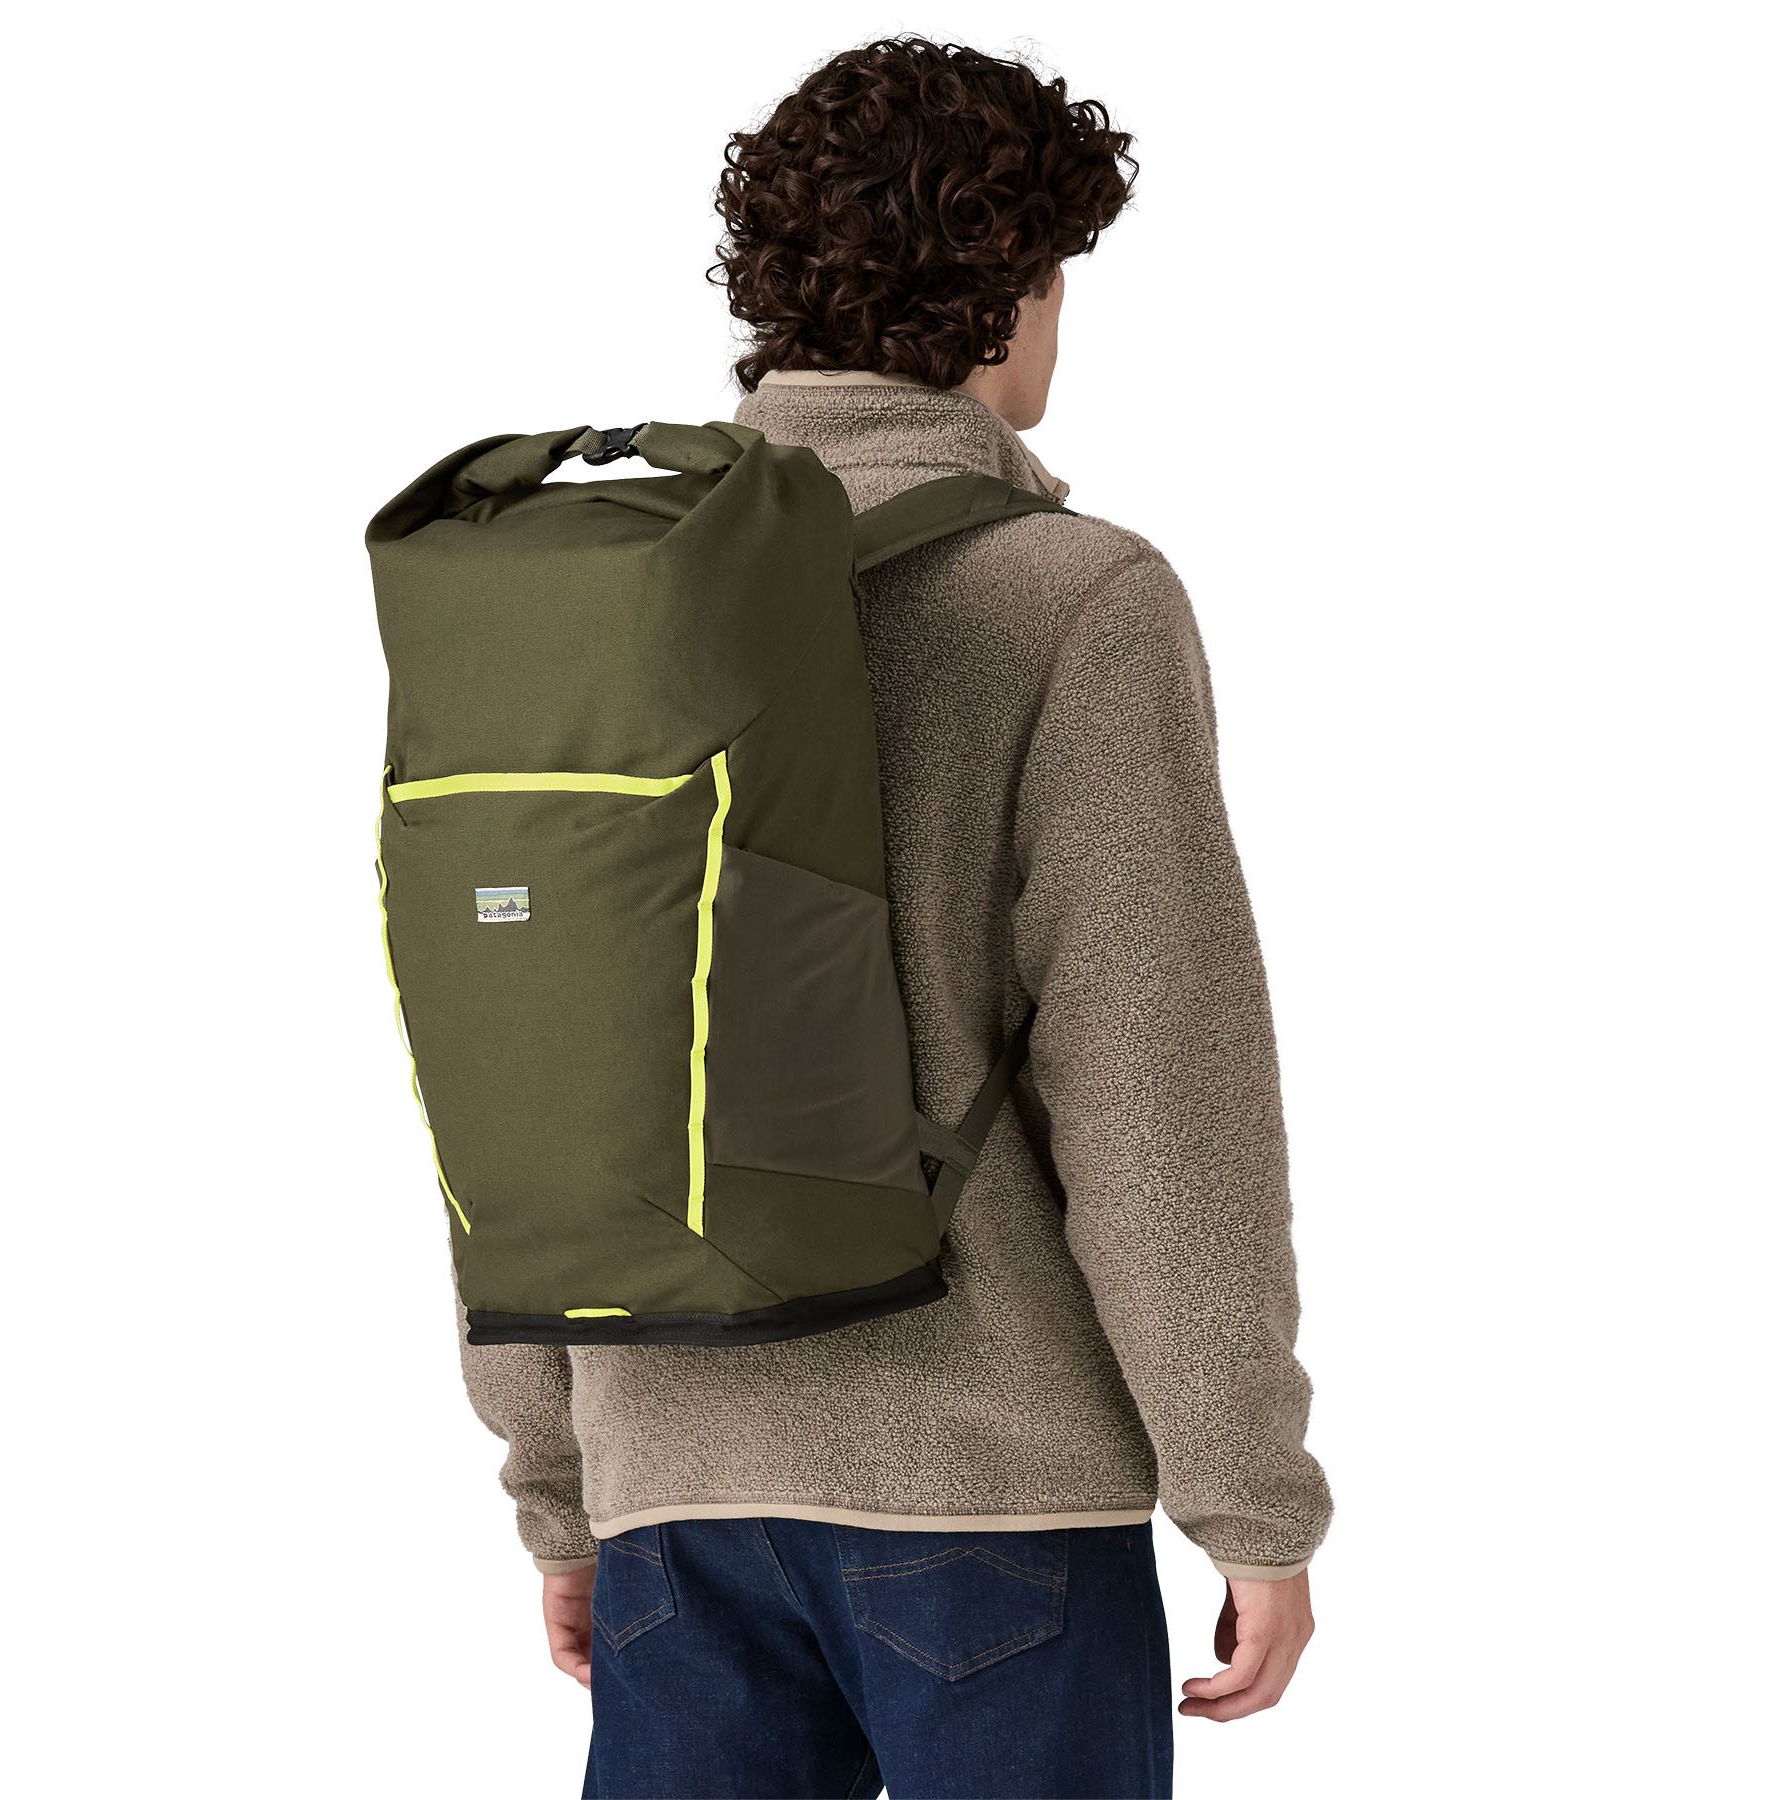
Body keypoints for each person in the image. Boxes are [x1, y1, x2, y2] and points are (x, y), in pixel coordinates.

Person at [462, 38, 1331, 1799]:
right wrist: (1251, 1497)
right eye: (1058, 275)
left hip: (666, 1497)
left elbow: (526, 1061)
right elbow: (1161, 1086)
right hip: (990, 1497)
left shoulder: (598, 590)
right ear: (1009, 287)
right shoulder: (1071, 599)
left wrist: (562, 1485)